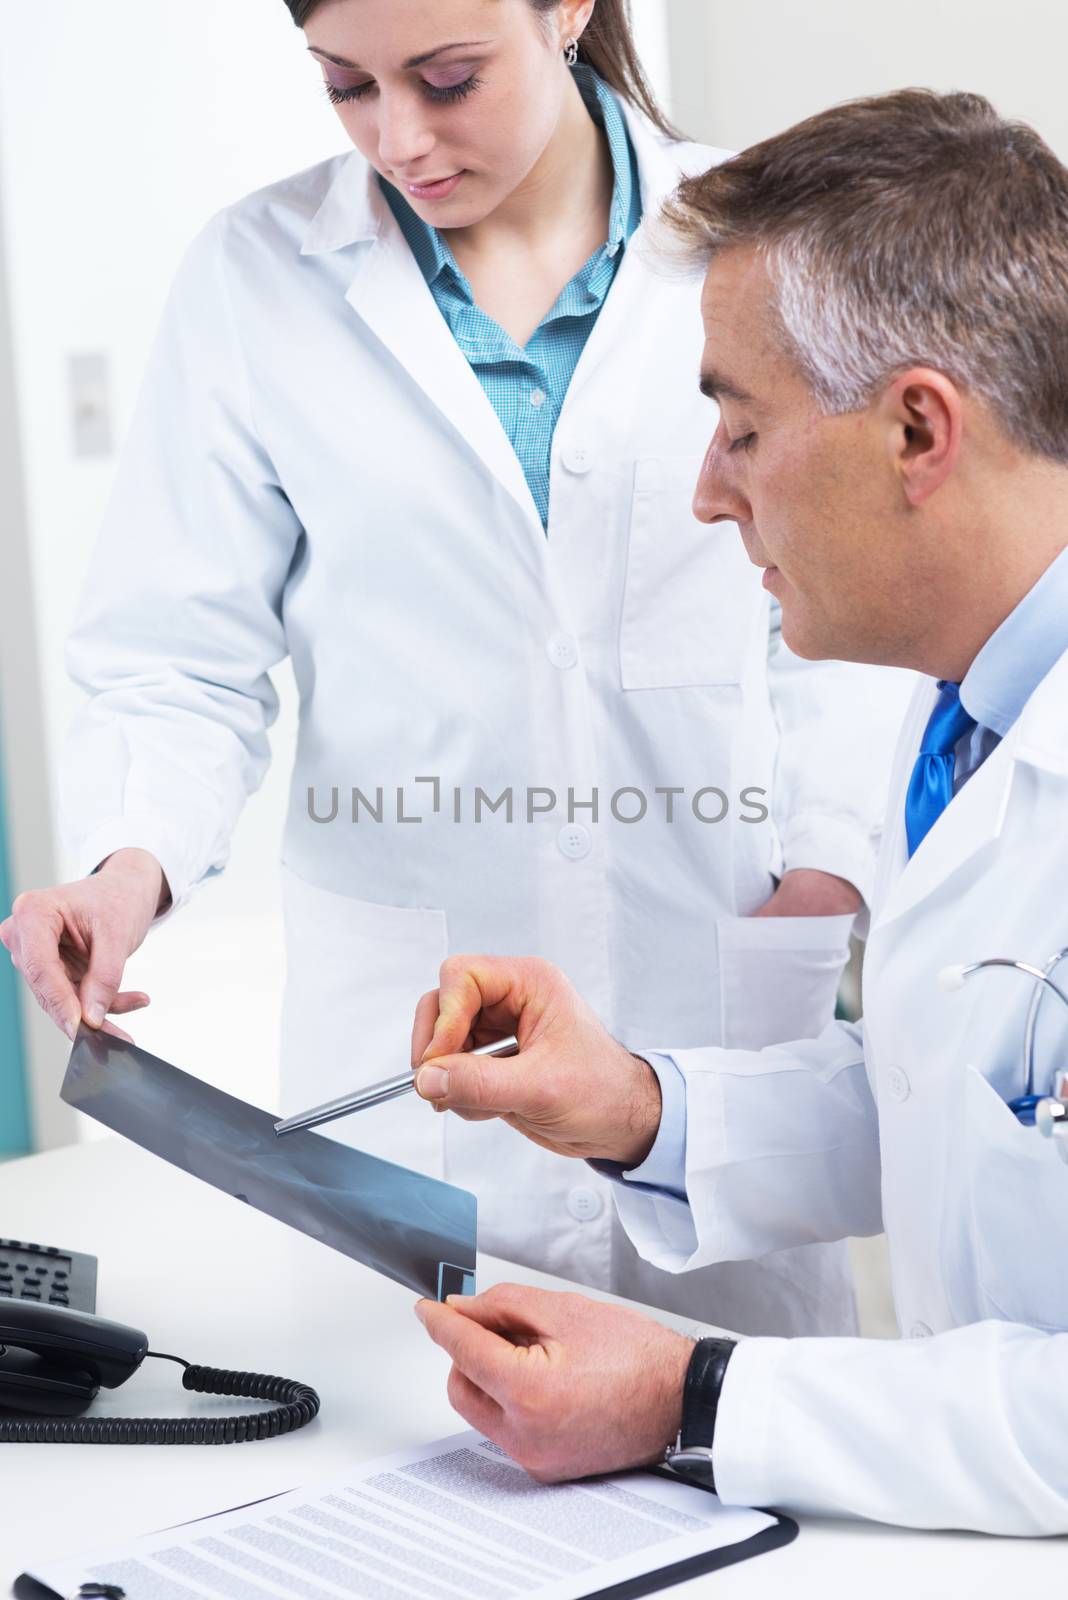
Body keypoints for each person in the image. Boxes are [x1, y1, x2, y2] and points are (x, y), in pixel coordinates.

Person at [0, 0, 908, 1336]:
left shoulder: (764, 245)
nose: (401, 140)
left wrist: (830, 870)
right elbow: (175, 657)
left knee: (734, 1449)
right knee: (415, 1474)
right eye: (347, 86)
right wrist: (128, 863)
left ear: (566, 11)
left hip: (704, 1020)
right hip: (403, 1082)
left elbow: (848, 618)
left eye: (447, 77)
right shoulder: (258, 277)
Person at [408, 89, 1068, 1534]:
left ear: (916, 430)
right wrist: (633, 1109)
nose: (709, 497)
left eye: (742, 429)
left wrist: (691, 1397)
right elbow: (962, 1095)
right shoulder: (967, 710)